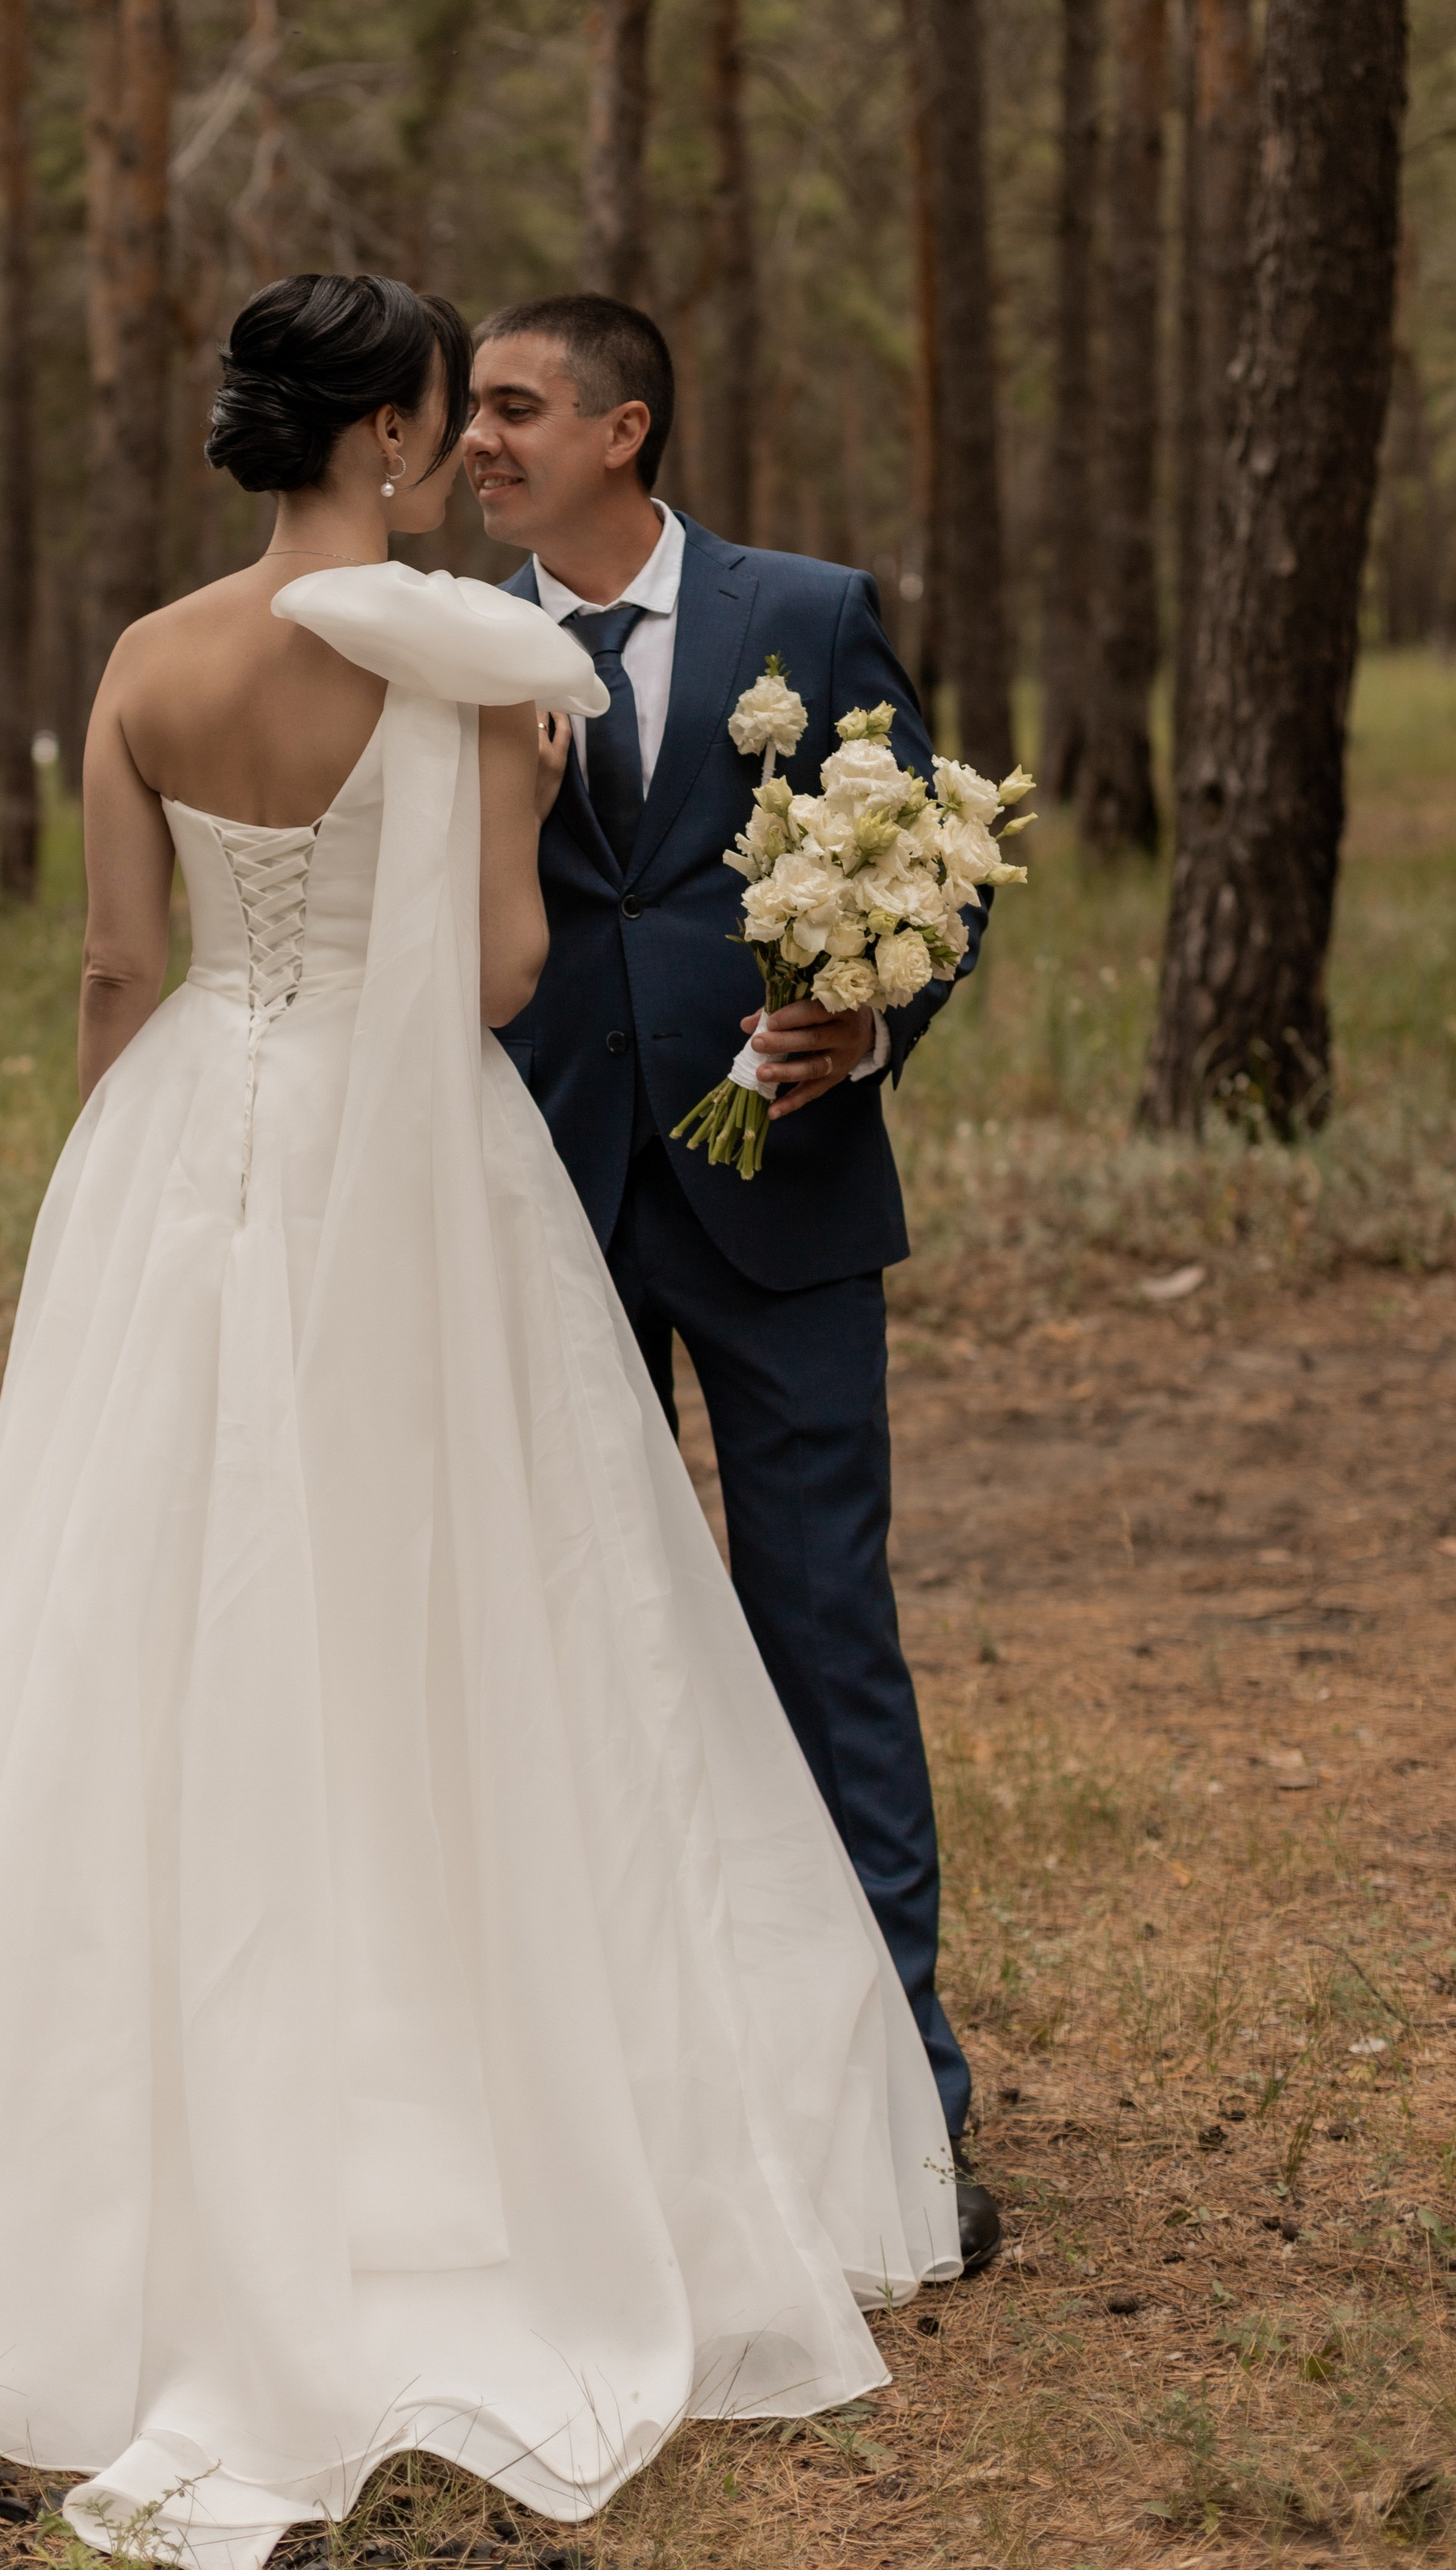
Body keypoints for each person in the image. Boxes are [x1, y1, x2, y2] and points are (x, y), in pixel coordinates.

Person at [0, 274, 959, 2570]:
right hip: (404, 1171)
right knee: (456, 1610)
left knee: (121, 1608)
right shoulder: (463, 664)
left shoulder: (143, 660)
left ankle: (48, 2111)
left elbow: (121, 964)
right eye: (441, 412)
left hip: (191, 1142)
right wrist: (492, 830)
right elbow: (495, 975)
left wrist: (136, 1187)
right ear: (389, 432)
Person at [468, 292, 999, 2274]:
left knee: (823, 1636)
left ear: (622, 428)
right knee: (582, 1651)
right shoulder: (461, 649)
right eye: (472, 413)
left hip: (784, 1202)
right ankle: (632, 2110)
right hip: (541, 1203)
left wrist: (870, 1026)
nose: (476, 441)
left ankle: (902, 2112)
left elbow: (929, 870)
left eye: (513, 408)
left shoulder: (810, 610)